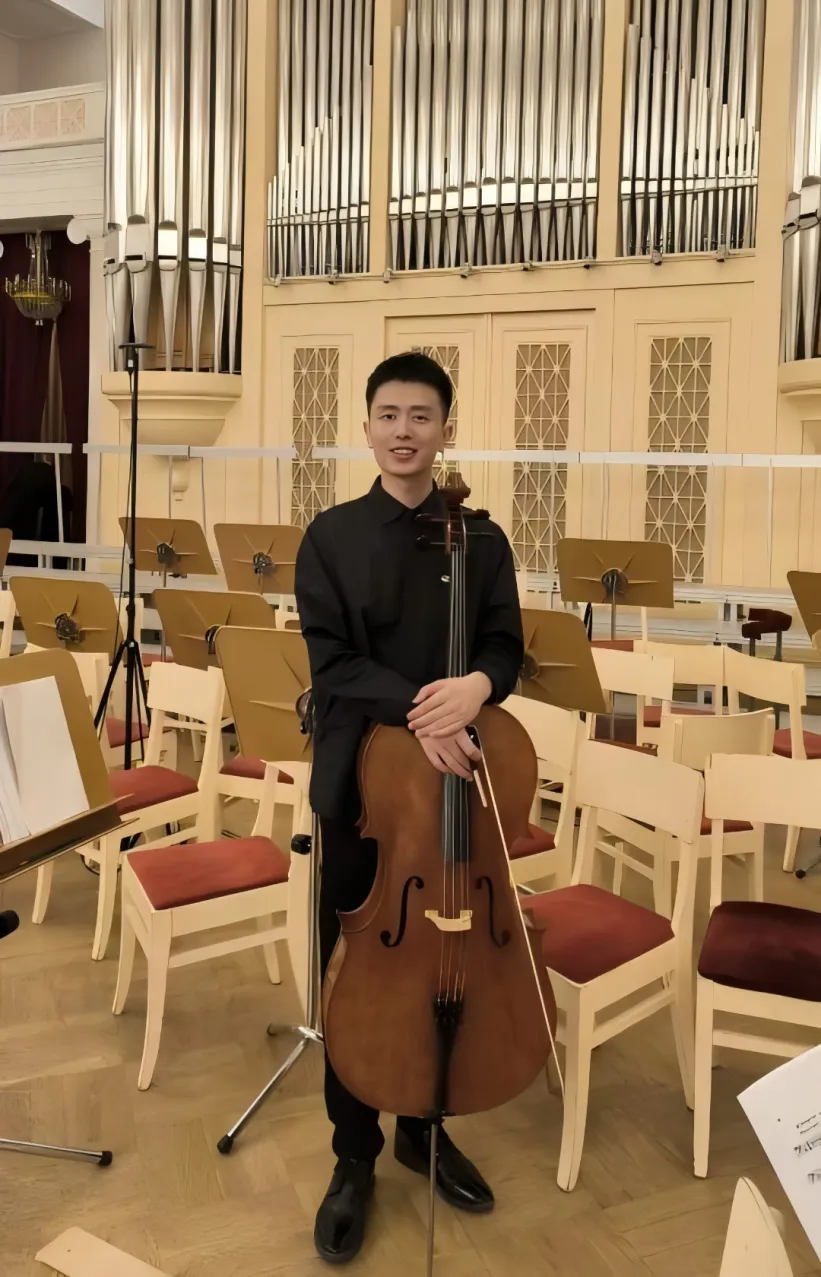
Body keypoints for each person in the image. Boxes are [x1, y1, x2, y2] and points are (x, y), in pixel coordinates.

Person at [294, 351, 524, 1264]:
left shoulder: (483, 540)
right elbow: (333, 662)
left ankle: (425, 1127)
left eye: (420, 415)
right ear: (365, 427)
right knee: (357, 970)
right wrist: (423, 712)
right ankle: (353, 1154)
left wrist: (476, 685)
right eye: (388, 414)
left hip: (457, 784)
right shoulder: (330, 536)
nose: (403, 430)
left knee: (450, 960)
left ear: (444, 429)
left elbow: (505, 645)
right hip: (365, 794)